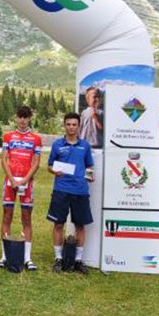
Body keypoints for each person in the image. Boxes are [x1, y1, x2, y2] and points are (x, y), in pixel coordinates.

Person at [47, 112, 95, 274]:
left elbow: (89, 166)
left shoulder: (85, 146)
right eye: (68, 124)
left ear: (78, 126)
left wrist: (90, 176)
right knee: (58, 224)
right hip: (61, 190)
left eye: (74, 124)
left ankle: (78, 260)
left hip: (80, 190)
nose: (71, 127)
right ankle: (58, 259)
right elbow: (50, 165)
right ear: (64, 125)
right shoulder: (57, 145)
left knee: (80, 225)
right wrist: (54, 171)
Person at [0, 106, 42, 271]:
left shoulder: (36, 139)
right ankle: (4, 256)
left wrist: (24, 180)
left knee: (26, 218)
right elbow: (4, 159)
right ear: (16, 118)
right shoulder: (8, 136)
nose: (22, 120)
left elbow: (36, 162)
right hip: (10, 182)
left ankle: (27, 258)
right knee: (6, 216)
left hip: (26, 183)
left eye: (25, 117)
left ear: (29, 118)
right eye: (20, 117)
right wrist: (11, 179)